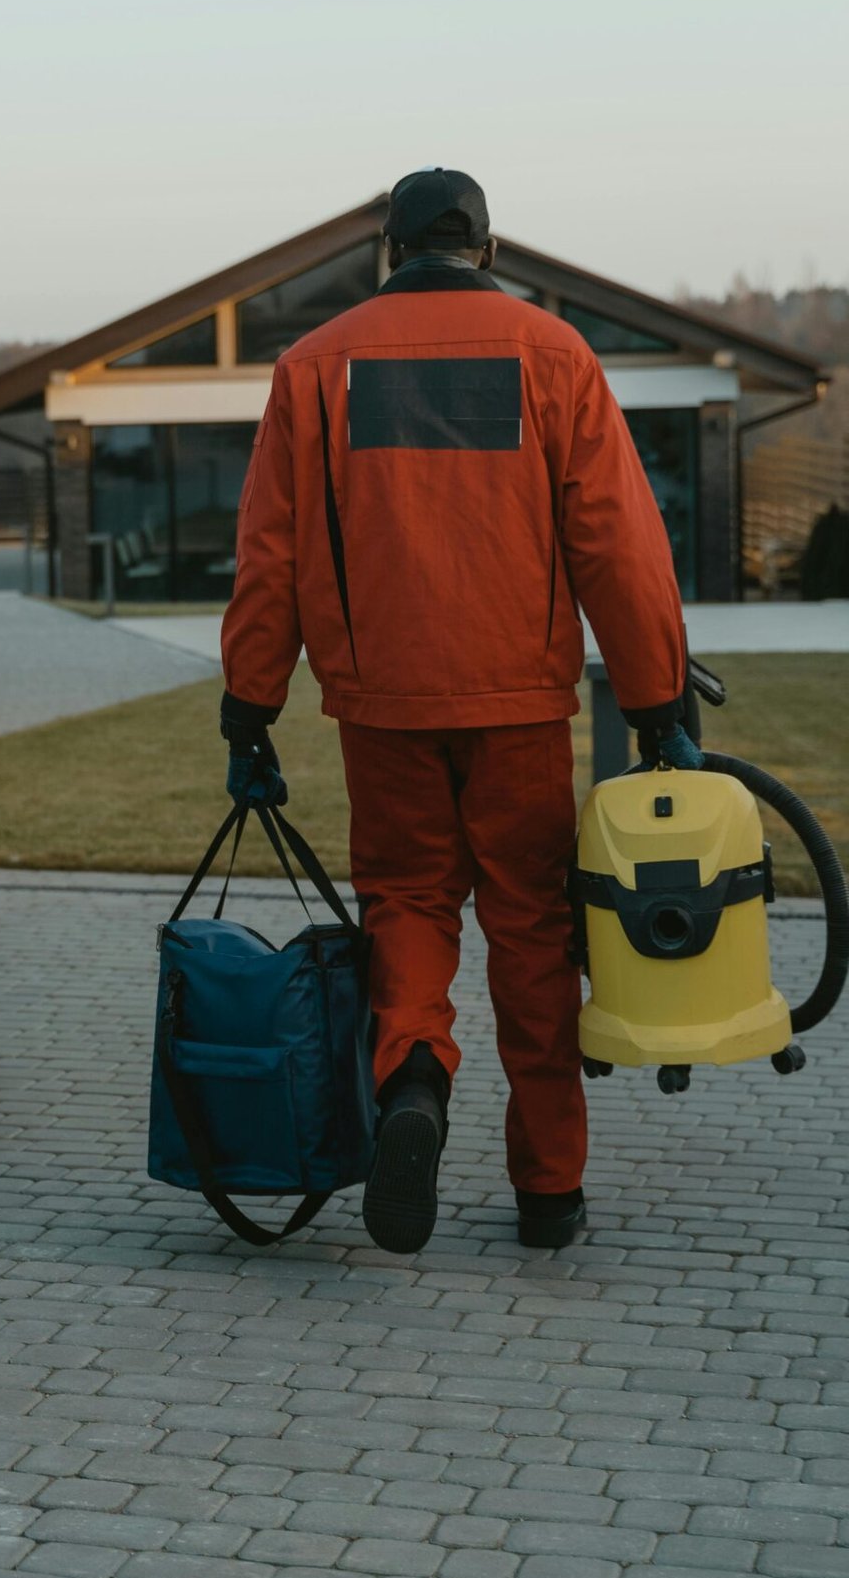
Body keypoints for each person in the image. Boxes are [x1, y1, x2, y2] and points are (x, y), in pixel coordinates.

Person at [219, 167, 693, 1253]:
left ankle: (414, 1083)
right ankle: (548, 1189)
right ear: (487, 247)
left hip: (379, 704)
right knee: (531, 930)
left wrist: (249, 704)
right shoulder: (554, 357)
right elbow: (618, 544)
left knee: (406, 907)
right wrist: (658, 696)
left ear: (386, 250)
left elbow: (269, 558)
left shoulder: (311, 367)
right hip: (520, 703)